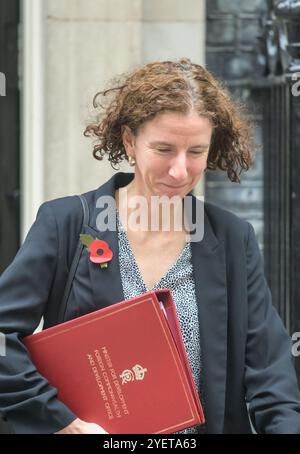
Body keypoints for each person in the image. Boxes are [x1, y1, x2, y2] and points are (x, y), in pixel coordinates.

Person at [0, 58, 300, 434]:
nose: (180, 170)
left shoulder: (231, 237)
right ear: (130, 141)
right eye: (164, 149)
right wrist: (64, 423)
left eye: (195, 152)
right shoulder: (66, 224)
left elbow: (272, 377)